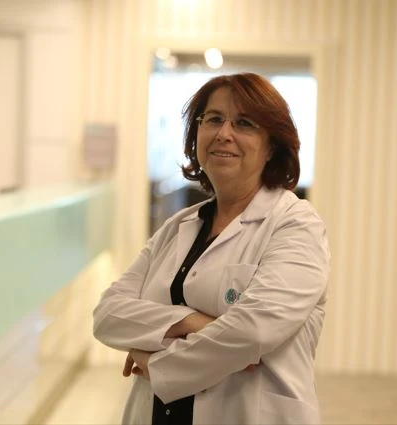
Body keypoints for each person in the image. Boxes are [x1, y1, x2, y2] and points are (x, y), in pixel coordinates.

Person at [93, 72, 330, 425]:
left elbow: (253, 331)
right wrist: (192, 322)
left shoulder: (296, 225)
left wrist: (154, 362)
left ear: (271, 147)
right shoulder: (178, 227)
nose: (224, 133)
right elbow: (108, 314)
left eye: (244, 123)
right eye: (214, 119)